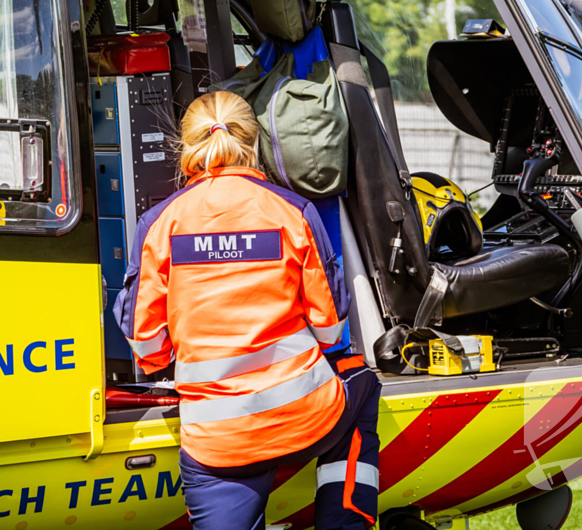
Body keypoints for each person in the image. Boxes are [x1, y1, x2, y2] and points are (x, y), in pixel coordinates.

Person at [114, 91, 382, 530]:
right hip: (306, 416)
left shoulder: (158, 224)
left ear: (187, 148)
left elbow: (147, 347)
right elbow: (331, 329)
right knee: (363, 382)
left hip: (217, 445)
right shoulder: (294, 211)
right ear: (255, 143)